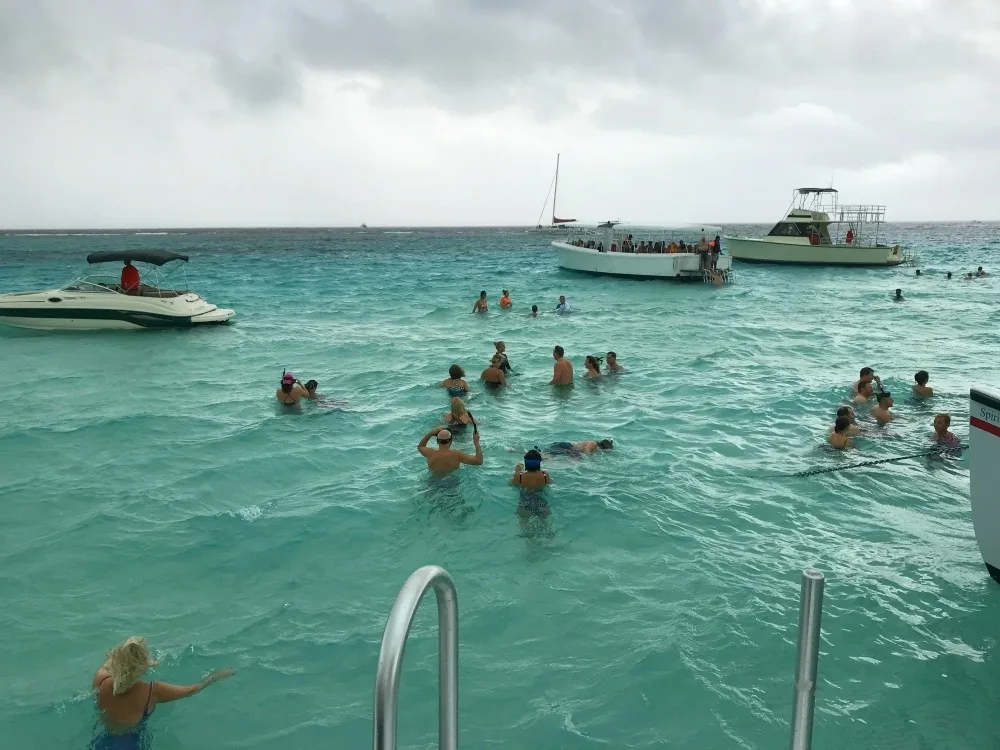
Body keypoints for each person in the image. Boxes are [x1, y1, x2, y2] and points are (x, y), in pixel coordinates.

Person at [91, 636, 233, 748]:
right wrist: (215, 677)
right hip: (130, 745)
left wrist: (122, 652)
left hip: (102, 742)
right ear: (144, 666)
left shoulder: (101, 679)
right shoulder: (152, 691)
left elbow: (108, 664)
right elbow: (193, 689)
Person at [418, 426, 482, 476]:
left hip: (432, 483)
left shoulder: (430, 453)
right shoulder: (457, 454)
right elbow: (479, 461)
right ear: (451, 441)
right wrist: (476, 442)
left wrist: (431, 433)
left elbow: (420, 446)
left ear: (437, 441)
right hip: (450, 484)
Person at [512, 449, 553, 528]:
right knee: (545, 524)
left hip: (524, 502)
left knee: (524, 523)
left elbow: (512, 484)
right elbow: (550, 483)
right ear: (539, 463)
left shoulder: (519, 476)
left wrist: (517, 470)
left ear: (526, 463)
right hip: (540, 501)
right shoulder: (545, 475)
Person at [546, 439, 613, 457]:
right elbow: (587, 450)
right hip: (567, 447)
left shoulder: (595, 446)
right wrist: (588, 458)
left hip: (570, 450)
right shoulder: (594, 444)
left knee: (549, 456)